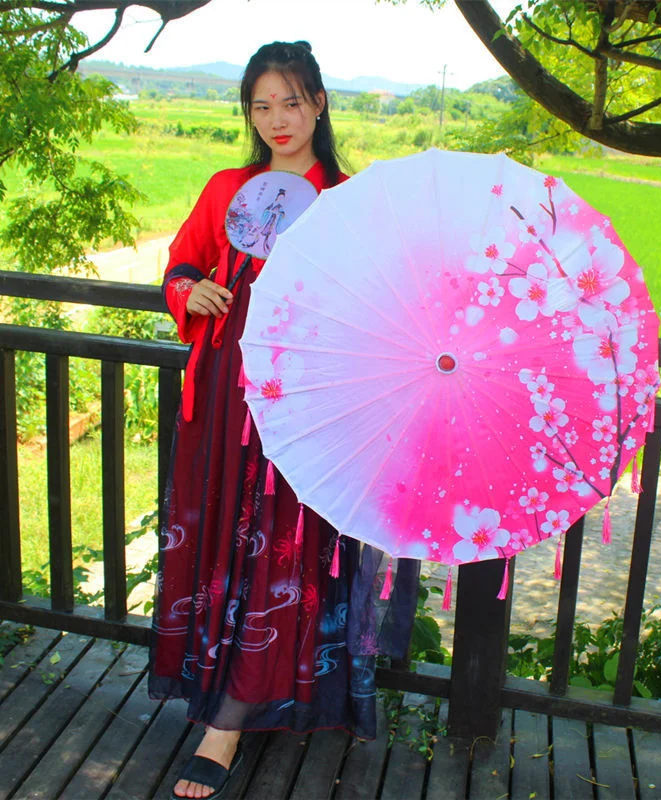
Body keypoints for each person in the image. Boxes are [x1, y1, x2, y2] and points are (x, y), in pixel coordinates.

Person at [149, 42, 416, 800]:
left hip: (304, 407)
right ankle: (218, 693)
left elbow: (378, 304)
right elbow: (180, 267)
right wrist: (189, 294)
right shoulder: (227, 188)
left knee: (284, 553)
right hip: (226, 399)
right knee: (220, 547)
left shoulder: (347, 200)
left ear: (320, 104)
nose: (277, 120)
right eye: (262, 105)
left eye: (292, 102)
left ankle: (228, 724)